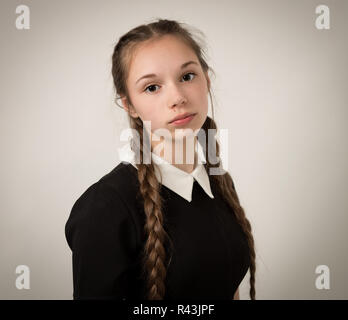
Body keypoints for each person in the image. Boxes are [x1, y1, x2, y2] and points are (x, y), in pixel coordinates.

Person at [65, 18, 256, 300]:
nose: (177, 97)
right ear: (129, 104)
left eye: (187, 76)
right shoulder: (104, 208)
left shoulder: (219, 182)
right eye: (152, 87)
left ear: (207, 78)